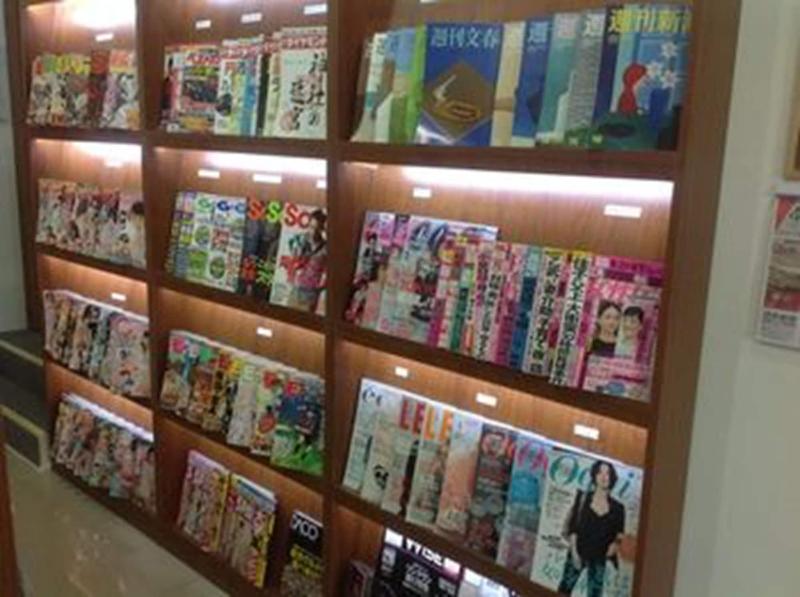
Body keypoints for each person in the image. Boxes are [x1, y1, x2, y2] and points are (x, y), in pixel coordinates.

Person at [559, 461, 626, 597]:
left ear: (612, 477)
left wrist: (615, 544)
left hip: (599, 557)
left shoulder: (618, 508)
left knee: (595, 593)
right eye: (600, 472)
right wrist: (574, 553)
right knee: (565, 588)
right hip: (578, 551)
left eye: (608, 473)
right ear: (594, 476)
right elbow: (573, 528)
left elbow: (620, 533)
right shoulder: (583, 499)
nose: (604, 476)